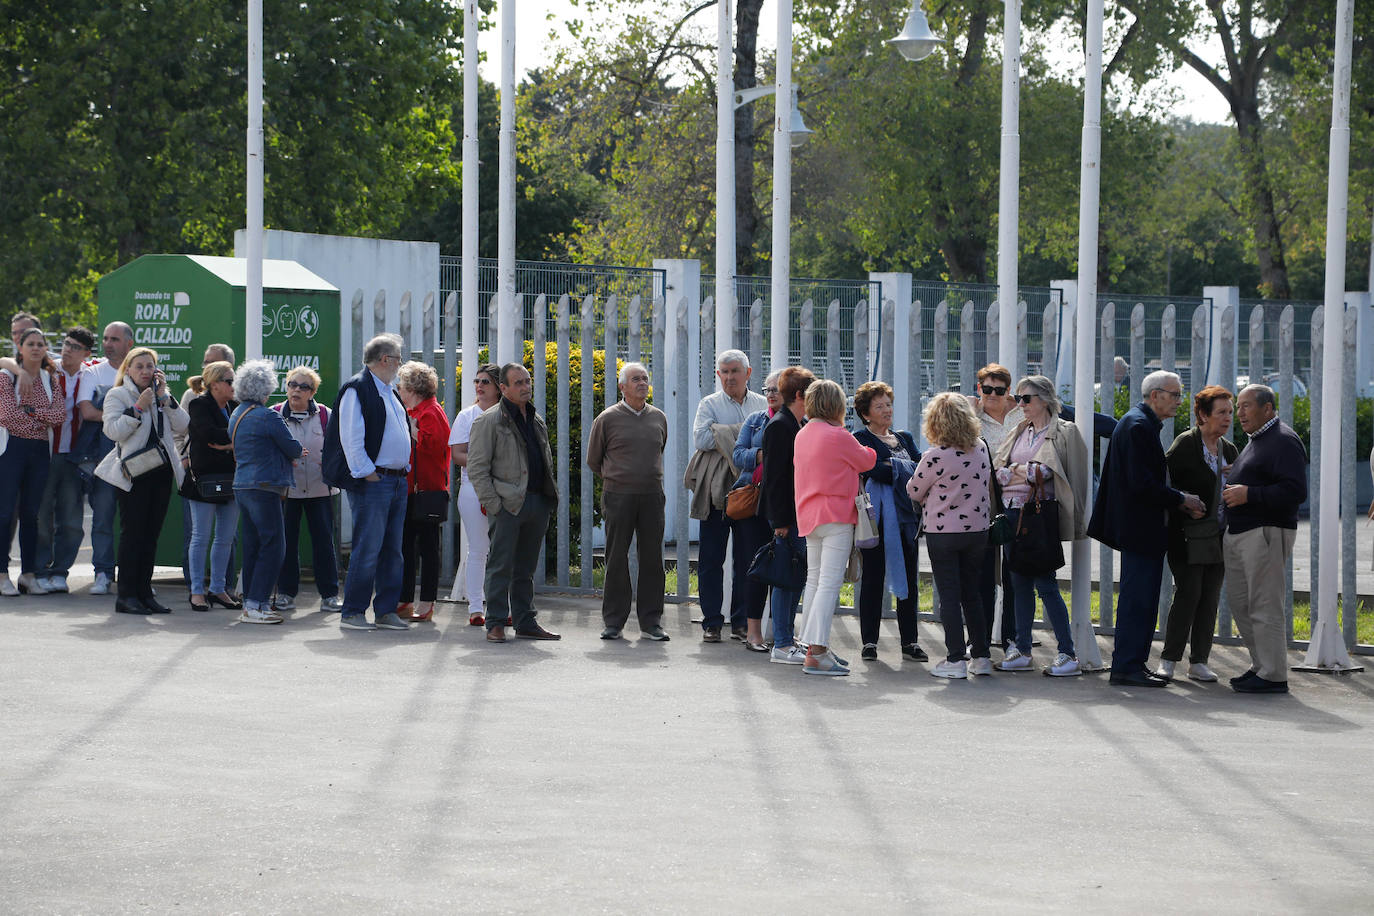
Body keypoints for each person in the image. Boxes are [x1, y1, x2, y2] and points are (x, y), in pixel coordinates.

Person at [1089, 370, 1206, 689]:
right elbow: (1142, 485)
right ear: (1155, 395)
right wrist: (1182, 498)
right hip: (1141, 529)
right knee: (1138, 599)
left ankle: (1133, 663)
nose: (1179, 402)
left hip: (1139, 528)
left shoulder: (1137, 422)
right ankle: (1127, 666)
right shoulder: (1139, 426)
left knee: (1141, 598)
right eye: (1175, 394)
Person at [991, 375, 1090, 676]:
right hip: (1010, 514)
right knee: (1018, 583)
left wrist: (1019, 472)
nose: (1020, 404)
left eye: (1026, 398)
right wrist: (1024, 472)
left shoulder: (1064, 431)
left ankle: (1067, 653)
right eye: (1019, 398)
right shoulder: (1020, 430)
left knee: (1046, 584)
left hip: (1037, 516)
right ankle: (1023, 649)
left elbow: (1049, 472)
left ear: (1044, 399)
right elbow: (998, 470)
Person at [321, 333, 414, 632]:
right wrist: (367, 472)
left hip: (395, 481)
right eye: (398, 359)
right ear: (385, 359)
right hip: (375, 482)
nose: (400, 365)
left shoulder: (388, 391)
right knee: (368, 547)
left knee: (392, 550)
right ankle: (353, 612)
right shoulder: (357, 388)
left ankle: (385, 611)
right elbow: (351, 437)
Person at [466, 362, 561, 642]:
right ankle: (495, 622)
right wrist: (495, 505)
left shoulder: (536, 419)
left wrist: (547, 498)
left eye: (527, 381)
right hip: (507, 505)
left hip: (537, 502)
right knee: (500, 565)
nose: (525, 387)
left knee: (526, 568)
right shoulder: (488, 420)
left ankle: (525, 621)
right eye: (517, 383)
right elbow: (477, 468)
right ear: (503, 388)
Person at [1222, 385, 1307, 694]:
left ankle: (1273, 675)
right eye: (1237, 406)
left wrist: (1249, 493)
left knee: (1264, 604)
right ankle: (1261, 666)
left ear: (1268, 409)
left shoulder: (1283, 440)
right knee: (1241, 603)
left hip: (1265, 534)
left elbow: (1296, 491)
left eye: (1246, 406)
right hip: (1242, 534)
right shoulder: (1258, 440)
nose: (1239, 413)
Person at [94, 347, 188, 614]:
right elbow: (112, 432)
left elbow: (183, 426)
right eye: (140, 366)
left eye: (150, 366)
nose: (146, 371)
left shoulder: (162, 396)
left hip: (161, 471)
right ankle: (126, 595)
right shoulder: (118, 394)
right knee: (133, 534)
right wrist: (137, 409)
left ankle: (145, 593)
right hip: (134, 473)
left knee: (150, 536)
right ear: (128, 369)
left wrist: (166, 399)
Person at [793, 379, 876, 676]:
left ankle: (815, 647)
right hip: (837, 515)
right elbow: (867, 460)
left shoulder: (802, 434)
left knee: (814, 582)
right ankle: (816, 652)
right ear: (837, 404)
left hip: (808, 515)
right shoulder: (838, 435)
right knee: (829, 584)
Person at [908, 392, 992, 678]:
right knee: (972, 594)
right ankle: (981, 656)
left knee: (949, 595)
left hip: (943, 533)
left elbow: (914, 491)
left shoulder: (934, 457)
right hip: (978, 531)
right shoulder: (981, 448)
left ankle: (955, 658)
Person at [1160, 385, 1238, 682]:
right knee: (1189, 592)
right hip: (1185, 536)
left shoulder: (1229, 450)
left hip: (1218, 537)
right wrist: (1184, 503)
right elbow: (1166, 487)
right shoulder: (1184, 445)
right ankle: (1169, 658)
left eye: (1230, 412)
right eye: (1221, 412)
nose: (1228, 418)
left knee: (1210, 596)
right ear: (1203, 415)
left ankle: (1199, 661)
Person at [587, 362, 669, 641]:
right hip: (618, 496)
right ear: (622, 386)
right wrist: (618, 478)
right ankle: (613, 622)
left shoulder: (658, 417)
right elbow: (593, 460)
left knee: (652, 559)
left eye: (645, 378)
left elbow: (660, 448)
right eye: (635, 379)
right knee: (616, 557)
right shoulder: (607, 419)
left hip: (651, 496)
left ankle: (651, 622)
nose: (642, 383)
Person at [688, 349, 766, 643]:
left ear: (748, 373)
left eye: (735, 371)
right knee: (710, 559)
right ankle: (711, 622)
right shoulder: (709, 403)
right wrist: (745, 436)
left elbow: (763, 441)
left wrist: (724, 433)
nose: (729, 377)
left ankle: (742, 622)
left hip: (749, 493)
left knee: (748, 558)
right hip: (716, 491)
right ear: (718, 375)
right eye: (724, 372)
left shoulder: (761, 403)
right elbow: (702, 438)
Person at [852, 380, 926, 662]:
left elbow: (921, 470)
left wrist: (891, 467)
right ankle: (869, 642)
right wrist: (898, 469)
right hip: (876, 519)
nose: (886, 410)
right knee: (872, 579)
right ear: (866, 413)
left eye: (888, 404)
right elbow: (871, 470)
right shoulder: (861, 438)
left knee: (909, 579)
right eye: (879, 406)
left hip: (908, 519)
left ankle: (910, 642)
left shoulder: (904, 437)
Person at [228, 360, 301, 625]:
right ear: (266, 389)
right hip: (265, 485)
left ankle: (250, 603)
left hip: (243, 484)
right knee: (274, 546)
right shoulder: (268, 415)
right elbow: (293, 447)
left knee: (253, 546)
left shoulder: (237, 414)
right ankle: (257, 604)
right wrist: (294, 452)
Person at [34, 327, 102, 593]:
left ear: (86, 353)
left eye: (75, 346)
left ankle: (60, 571)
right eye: (66, 344)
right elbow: (10, 361)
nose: (67, 349)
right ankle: (40, 570)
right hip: (45, 454)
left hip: (76, 457)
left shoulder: (92, 373)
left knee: (72, 520)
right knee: (41, 516)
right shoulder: (48, 370)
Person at [0, 327, 66, 596]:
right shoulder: (7, 377)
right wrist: (40, 418)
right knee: (4, 513)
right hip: (11, 449)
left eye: (41, 344)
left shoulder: (50, 379)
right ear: (21, 347)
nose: (37, 348)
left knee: (31, 514)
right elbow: (6, 416)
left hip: (40, 450)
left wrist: (30, 411)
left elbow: (59, 415)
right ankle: (2, 574)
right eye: (31, 343)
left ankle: (28, 575)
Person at [271, 366, 342, 613]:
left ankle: (330, 595)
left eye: (304, 386)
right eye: (292, 384)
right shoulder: (274, 414)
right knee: (286, 542)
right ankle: (286, 594)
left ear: (313, 392)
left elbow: (339, 447)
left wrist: (330, 463)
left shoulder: (326, 415)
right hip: (286, 490)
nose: (296, 390)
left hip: (320, 489)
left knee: (324, 542)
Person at [760, 365, 815, 664]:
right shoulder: (781, 426)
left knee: (794, 577)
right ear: (798, 395)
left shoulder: (795, 423)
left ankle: (786, 637)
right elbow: (776, 478)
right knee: (785, 578)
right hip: (786, 516)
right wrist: (780, 522)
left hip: (796, 514)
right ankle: (781, 642)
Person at [178, 342, 239, 597]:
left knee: (225, 539)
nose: (234, 385)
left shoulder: (234, 406)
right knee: (200, 537)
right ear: (215, 384)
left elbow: (231, 437)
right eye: (229, 380)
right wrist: (233, 441)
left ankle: (218, 589)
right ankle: (196, 591)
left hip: (232, 480)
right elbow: (209, 435)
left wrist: (230, 443)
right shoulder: (198, 404)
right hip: (203, 479)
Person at [730, 369, 783, 651]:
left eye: (776, 389)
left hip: (783, 505)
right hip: (753, 503)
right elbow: (738, 456)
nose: (771, 394)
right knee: (755, 567)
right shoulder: (754, 421)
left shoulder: (801, 423)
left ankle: (780, 632)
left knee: (784, 567)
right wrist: (762, 454)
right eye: (767, 389)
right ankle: (753, 634)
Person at [970, 363, 1021, 652]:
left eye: (998, 390)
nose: (992, 395)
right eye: (986, 389)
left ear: (1008, 391)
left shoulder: (1019, 413)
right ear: (979, 389)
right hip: (983, 500)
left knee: (1013, 573)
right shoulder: (973, 416)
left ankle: (1011, 638)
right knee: (983, 575)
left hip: (1016, 498)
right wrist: (971, 408)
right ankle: (979, 640)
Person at [396, 360, 450, 623]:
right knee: (406, 547)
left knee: (428, 550)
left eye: (402, 385)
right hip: (411, 491)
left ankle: (426, 603)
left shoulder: (430, 412)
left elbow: (435, 448)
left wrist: (413, 431)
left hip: (427, 492)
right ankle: (404, 600)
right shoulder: (414, 410)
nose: (398, 389)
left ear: (412, 387)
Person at [449, 363, 502, 626]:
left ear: (498, 387)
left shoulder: (509, 413)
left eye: (485, 382)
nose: (479, 386)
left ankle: (502, 606)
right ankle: (475, 607)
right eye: (477, 381)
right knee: (478, 549)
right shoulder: (466, 416)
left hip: (504, 489)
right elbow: (457, 454)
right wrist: (484, 462)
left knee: (504, 551)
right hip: (473, 488)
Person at [84, 321, 134, 595]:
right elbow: (87, 412)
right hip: (105, 458)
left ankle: (131, 575)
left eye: (114, 339)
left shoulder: (140, 372)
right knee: (102, 518)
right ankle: (102, 573)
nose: (108, 343)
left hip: (136, 460)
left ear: (129, 343)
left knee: (134, 521)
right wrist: (125, 418)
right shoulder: (93, 373)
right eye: (105, 338)